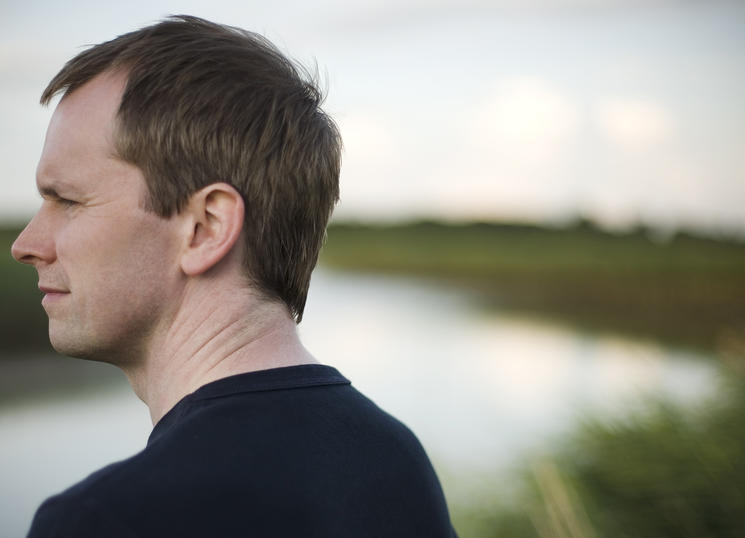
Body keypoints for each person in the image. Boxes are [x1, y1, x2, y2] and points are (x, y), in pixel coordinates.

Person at [12, 15, 456, 537]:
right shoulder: (393, 458)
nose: (25, 246)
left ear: (206, 227)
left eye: (67, 200)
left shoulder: (110, 519)